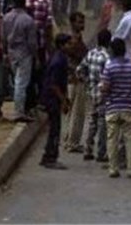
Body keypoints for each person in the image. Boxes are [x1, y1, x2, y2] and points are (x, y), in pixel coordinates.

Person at [100, 38, 131, 179]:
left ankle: (113, 169)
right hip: (129, 107)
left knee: (112, 139)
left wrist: (105, 92)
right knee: (129, 139)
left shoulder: (109, 66)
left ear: (112, 51)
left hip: (112, 107)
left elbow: (105, 87)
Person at [39, 33, 74, 170]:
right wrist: (63, 100)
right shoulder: (58, 60)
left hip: (52, 97)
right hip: (52, 98)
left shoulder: (59, 57)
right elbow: (54, 84)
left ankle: (47, 155)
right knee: (55, 128)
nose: (71, 46)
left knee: (54, 127)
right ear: (62, 45)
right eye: (68, 44)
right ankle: (51, 157)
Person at [1, 0, 37, 122]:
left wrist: (5, 52)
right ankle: (19, 111)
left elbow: (3, 37)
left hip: (11, 52)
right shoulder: (28, 20)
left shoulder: (6, 18)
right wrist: (36, 56)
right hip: (24, 53)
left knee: (16, 81)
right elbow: (32, 42)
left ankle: (19, 109)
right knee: (21, 82)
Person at [76, 29, 111, 162]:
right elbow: (108, 77)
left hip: (91, 92)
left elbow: (79, 70)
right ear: (109, 41)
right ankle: (101, 153)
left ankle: (88, 149)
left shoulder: (90, 53)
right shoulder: (107, 57)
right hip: (103, 93)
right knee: (103, 123)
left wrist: (87, 82)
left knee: (92, 121)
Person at [62, 12, 88, 153]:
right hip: (75, 79)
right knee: (77, 112)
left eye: (82, 22)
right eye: (79, 22)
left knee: (72, 112)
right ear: (72, 23)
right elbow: (73, 59)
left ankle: (69, 140)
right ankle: (72, 142)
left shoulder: (74, 38)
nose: (82, 25)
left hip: (72, 78)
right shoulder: (73, 40)